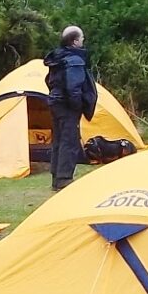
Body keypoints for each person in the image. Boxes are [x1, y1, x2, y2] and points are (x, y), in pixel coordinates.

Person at [43, 26, 98, 191]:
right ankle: (64, 179)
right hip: (67, 106)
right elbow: (73, 87)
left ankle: (56, 178)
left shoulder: (57, 59)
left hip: (55, 102)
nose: (83, 41)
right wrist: (78, 105)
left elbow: (49, 81)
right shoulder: (74, 60)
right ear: (75, 41)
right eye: (81, 39)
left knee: (58, 141)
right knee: (70, 141)